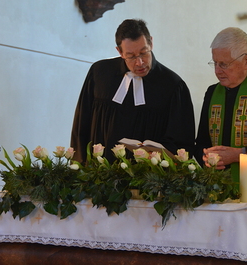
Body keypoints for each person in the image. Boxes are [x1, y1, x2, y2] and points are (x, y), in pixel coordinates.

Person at [71, 19, 195, 163]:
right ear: (120, 52)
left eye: (144, 53)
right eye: (131, 56)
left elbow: (181, 143)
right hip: (98, 176)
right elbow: (81, 126)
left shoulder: (173, 85)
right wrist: (79, 168)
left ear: (151, 43)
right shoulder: (99, 73)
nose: (140, 62)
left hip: (147, 180)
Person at [195, 27, 247, 196]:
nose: (217, 70)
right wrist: (207, 157)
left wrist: (241, 154)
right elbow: (201, 142)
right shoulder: (212, 93)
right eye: (214, 63)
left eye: (224, 64)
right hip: (216, 190)